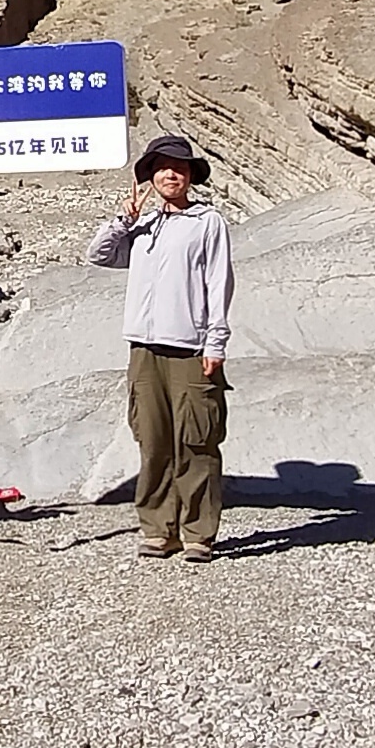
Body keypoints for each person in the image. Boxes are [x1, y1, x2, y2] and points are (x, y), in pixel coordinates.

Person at [86, 134, 235, 562]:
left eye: (180, 167)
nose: (172, 174)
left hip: (191, 348)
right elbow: (99, 255)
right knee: (152, 441)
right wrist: (124, 220)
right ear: (150, 176)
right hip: (144, 350)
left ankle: (198, 534)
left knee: (197, 443)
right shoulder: (141, 226)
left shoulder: (207, 222)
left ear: (190, 176)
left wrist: (216, 341)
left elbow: (218, 283)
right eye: (163, 167)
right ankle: (158, 530)